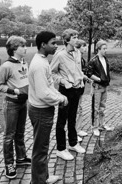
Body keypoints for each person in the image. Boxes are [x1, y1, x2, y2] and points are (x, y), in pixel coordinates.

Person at [28, 31, 68, 184]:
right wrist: (60, 99)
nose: (56, 46)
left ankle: (42, 177)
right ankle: (38, 181)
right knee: (40, 150)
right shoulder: (39, 64)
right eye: (53, 43)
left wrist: (59, 95)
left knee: (42, 147)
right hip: (40, 111)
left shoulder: (43, 60)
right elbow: (43, 93)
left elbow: (48, 85)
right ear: (43, 45)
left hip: (43, 110)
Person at [0, 36, 31, 179]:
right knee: (9, 136)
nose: (26, 48)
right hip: (12, 104)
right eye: (23, 46)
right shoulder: (6, 66)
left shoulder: (24, 62)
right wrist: (13, 91)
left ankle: (21, 158)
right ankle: (9, 164)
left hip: (23, 103)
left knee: (20, 133)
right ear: (15, 49)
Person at [50, 29, 86, 161]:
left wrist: (81, 79)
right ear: (67, 40)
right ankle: (60, 149)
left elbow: (78, 70)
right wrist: (64, 81)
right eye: (74, 37)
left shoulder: (77, 53)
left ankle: (73, 143)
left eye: (77, 36)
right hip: (65, 91)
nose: (77, 39)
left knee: (72, 118)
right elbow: (52, 73)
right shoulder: (59, 55)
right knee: (61, 120)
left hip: (77, 90)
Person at [87, 40, 114, 137]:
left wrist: (106, 80)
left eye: (106, 48)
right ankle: (94, 127)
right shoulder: (93, 60)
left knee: (103, 107)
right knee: (96, 108)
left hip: (104, 87)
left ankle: (101, 125)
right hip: (97, 87)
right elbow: (89, 74)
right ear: (98, 49)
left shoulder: (105, 59)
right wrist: (100, 79)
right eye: (104, 49)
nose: (106, 50)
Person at [74, 39, 90, 138]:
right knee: (75, 110)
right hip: (76, 88)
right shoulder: (76, 59)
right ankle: (73, 131)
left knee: (79, 109)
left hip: (81, 88)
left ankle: (78, 129)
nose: (86, 48)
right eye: (84, 46)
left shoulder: (82, 59)